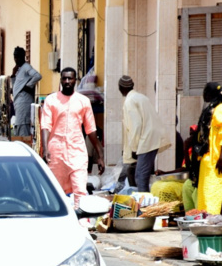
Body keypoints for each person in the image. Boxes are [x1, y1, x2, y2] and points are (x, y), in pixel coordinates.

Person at [40, 68, 105, 205]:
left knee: (80, 191)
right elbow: (45, 126)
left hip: (77, 153)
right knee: (56, 192)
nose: (67, 81)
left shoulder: (83, 101)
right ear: (61, 80)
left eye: (70, 78)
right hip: (56, 153)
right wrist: (45, 149)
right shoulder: (51, 100)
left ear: (75, 80)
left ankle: (80, 217)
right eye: (64, 78)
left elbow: (91, 130)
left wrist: (100, 155)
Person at [119, 75, 170, 192]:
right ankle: (145, 199)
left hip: (146, 140)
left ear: (121, 88)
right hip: (151, 139)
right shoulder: (141, 97)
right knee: (141, 175)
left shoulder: (129, 101)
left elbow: (136, 125)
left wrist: (134, 147)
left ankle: (145, 202)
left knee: (140, 177)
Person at [190, 81, 222, 215]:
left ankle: (212, 220)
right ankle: (205, 218)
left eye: (206, 92)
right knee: (204, 194)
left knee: (213, 194)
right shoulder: (212, 109)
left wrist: (221, 159)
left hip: (216, 162)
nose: (204, 95)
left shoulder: (221, 110)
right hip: (207, 160)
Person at [11, 47, 42, 138]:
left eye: (18, 57)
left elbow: (38, 76)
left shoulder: (26, 67)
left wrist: (28, 85)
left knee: (23, 126)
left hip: (24, 101)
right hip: (18, 103)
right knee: (18, 126)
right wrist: (13, 74)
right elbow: (16, 86)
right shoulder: (19, 69)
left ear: (23, 56)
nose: (16, 59)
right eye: (15, 57)